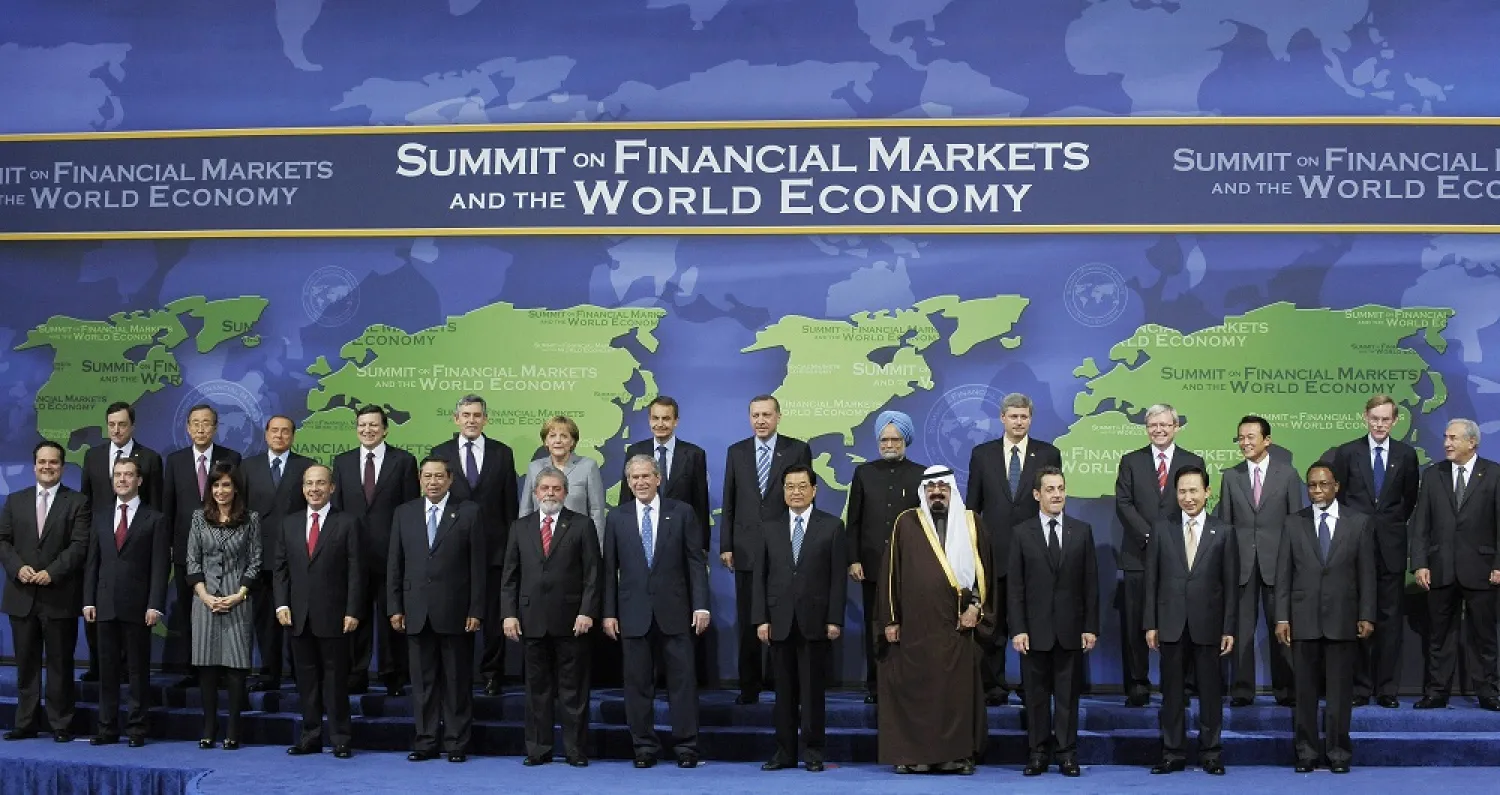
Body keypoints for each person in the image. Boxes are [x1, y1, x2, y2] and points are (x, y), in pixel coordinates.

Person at [877, 465, 996, 775]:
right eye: (931, 487)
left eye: (943, 487)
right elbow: (890, 573)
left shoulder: (971, 523)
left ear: (952, 489)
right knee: (918, 692)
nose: (937, 492)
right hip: (915, 627)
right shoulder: (907, 521)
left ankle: (955, 756)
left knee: (954, 695)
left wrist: (975, 609)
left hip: (957, 626)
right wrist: (891, 619)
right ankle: (914, 755)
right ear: (924, 491)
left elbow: (985, 574)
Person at [603, 455, 710, 769]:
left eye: (646, 476)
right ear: (628, 482)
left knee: (682, 684)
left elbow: (695, 562)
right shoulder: (617, 517)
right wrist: (608, 612)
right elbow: (609, 570)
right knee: (637, 686)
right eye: (634, 478)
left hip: (676, 612)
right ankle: (644, 748)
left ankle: (687, 748)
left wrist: (701, 605)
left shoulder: (682, 512)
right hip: (633, 613)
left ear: (658, 478)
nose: (640, 482)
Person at [1274, 463, 1376, 773]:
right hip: (1303, 620)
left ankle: (1339, 754)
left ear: (1336, 486)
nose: (1317, 490)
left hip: (1343, 619)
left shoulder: (1358, 523)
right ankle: (1306, 753)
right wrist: (1281, 617)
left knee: (1339, 695)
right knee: (1304, 693)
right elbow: (1283, 575)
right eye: (1312, 485)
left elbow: (1367, 574)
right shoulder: (1293, 523)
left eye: (1323, 484)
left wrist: (1367, 614)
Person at [1322, 395, 1419, 708]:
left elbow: (1408, 499)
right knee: (1358, 618)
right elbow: (1340, 499)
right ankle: (1360, 688)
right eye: (1375, 418)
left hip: (1391, 548)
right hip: (1355, 548)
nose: (1379, 425)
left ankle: (1387, 689)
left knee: (1390, 621)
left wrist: (1388, 527)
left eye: (1385, 419)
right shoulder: (1347, 452)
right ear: (1365, 417)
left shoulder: (1406, 455)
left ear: (1395, 420)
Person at [388, 456, 486, 763]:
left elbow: (478, 567)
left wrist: (476, 609)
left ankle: (456, 743)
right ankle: (426, 741)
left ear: (450, 480)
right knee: (423, 683)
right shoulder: (404, 513)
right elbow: (395, 564)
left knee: (456, 682)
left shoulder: (469, 512)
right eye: (428, 476)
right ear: (420, 480)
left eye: (439, 476)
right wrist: (395, 606)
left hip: (456, 612)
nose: (433, 482)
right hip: (415, 611)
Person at [966, 392, 1061, 705]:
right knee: (993, 626)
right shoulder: (982, 454)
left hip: (1035, 554)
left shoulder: (1048, 453)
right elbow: (972, 508)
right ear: (1002, 418)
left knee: (1034, 623)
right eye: (1013, 416)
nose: (1019, 422)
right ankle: (993, 686)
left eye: (1024, 416)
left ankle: (1031, 685)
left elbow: (1053, 504)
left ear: (1030, 419)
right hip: (993, 555)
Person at [501, 467, 600, 767]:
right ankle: (538, 749)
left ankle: (575, 750)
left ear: (565, 493)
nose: (550, 494)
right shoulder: (520, 527)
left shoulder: (582, 525)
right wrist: (509, 614)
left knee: (573, 691)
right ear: (535, 493)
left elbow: (593, 574)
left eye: (556, 489)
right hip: (531, 620)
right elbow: (510, 577)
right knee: (536, 691)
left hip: (572, 621)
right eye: (544, 488)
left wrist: (586, 611)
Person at [721, 395, 812, 704]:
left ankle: (782, 683)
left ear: (778, 417)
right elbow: (729, 501)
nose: (761, 420)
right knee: (748, 619)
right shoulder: (737, 452)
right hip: (745, 549)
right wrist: (726, 545)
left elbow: (804, 499)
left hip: (785, 548)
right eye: (755, 415)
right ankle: (749, 686)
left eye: (766, 415)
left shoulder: (797, 449)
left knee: (783, 617)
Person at [754, 465, 845, 773]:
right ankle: (784, 752)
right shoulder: (769, 527)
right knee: (783, 694)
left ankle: (813, 752)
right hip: (778, 621)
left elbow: (837, 580)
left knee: (812, 692)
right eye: (790, 486)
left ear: (814, 490)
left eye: (802, 486)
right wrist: (761, 619)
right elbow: (760, 577)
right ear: (783, 491)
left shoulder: (832, 526)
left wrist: (834, 619)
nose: (796, 492)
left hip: (816, 621)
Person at [1145, 466, 1236, 776]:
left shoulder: (1223, 531)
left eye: (1194, 490)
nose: (1188, 497)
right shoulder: (1162, 529)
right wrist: (1151, 623)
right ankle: (1173, 753)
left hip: (1209, 625)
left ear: (1207, 492)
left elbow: (1230, 584)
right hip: (1170, 624)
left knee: (1210, 693)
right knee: (1172, 694)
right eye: (1182, 491)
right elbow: (1151, 580)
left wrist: (1228, 627)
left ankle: (1211, 753)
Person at [1009, 466, 1098, 777]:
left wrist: (1090, 627)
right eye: (1050, 489)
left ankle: (1067, 754)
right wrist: (1018, 628)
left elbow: (1090, 584)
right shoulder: (1022, 533)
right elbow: (1015, 587)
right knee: (1035, 698)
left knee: (1067, 698)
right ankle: (1038, 754)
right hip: (1034, 632)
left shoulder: (1081, 531)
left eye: (1060, 488)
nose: (1057, 494)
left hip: (1070, 630)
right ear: (1037, 494)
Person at [1114, 403, 1204, 707]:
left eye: (1165, 424)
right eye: (1153, 425)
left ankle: (1181, 686)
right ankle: (1138, 685)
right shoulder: (1131, 461)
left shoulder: (1193, 461)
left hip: (1181, 556)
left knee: (1181, 623)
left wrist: (1169, 541)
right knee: (1135, 625)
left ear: (1176, 427)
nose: (1159, 430)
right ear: (1146, 428)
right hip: (1138, 555)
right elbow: (1123, 504)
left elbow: (1194, 505)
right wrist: (1151, 536)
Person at [619, 396, 713, 686]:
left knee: (678, 625)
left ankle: (681, 680)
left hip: (679, 549)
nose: (660, 424)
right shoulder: (635, 451)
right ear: (649, 420)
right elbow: (625, 504)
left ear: (676, 421)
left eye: (666, 418)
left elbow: (701, 504)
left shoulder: (693, 454)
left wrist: (702, 549)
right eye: (655, 418)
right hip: (643, 551)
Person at [0, 441, 90, 742]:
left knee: (60, 665)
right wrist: (17, 568)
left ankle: (60, 724)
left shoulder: (77, 502)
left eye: (53, 462)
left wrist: (52, 572)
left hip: (59, 595)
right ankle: (25, 722)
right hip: (22, 596)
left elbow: (79, 545)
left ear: (62, 466)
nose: (47, 467)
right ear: (34, 465)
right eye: (42, 462)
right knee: (26, 665)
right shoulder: (15, 501)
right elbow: (3, 541)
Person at [431, 394, 518, 696]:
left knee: (493, 617)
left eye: (477, 415)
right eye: (466, 415)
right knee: (455, 615)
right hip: (452, 552)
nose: (471, 420)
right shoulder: (440, 453)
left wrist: (511, 549)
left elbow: (510, 506)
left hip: (494, 551)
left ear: (485, 419)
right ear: (456, 419)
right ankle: (457, 676)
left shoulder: (502, 453)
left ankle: (492, 674)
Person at [1410, 418, 1500, 710]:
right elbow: (1421, 523)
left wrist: (1498, 564)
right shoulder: (1433, 474)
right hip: (1441, 568)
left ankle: (1488, 692)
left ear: (1472, 442)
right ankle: (1437, 692)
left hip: (1482, 568)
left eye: (1453, 438)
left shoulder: (1494, 474)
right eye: (1446, 437)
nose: (1446, 443)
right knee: (1439, 636)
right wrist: (1420, 563)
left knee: (1484, 636)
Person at [274, 464, 362, 759]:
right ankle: (310, 737)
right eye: (309, 483)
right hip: (298, 617)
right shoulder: (289, 524)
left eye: (320, 483)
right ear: (303, 488)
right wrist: (282, 604)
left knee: (336, 681)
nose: (314, 489)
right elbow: (280, 569)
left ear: (331, 488)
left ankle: (340, 738)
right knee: (306, 682)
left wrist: (353, 610)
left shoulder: (347, 522)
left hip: (335, 616)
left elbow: (356, 571)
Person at [1216, 415, 1303, 706]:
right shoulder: (1231, 476)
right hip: (1241, 565)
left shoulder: (1288, 475)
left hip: (1278, 564)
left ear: (1267, 440)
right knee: (1242, 631)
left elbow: (1295, 523)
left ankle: (1287, 690)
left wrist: (1293, 563)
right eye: (1240, 437)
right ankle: (1242, 690)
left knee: (1283, 627)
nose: (1244, 443)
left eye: (1250, 437)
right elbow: (1226, 525)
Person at [83, 456, 170, 747]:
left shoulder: (154, 518)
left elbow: (160, 566)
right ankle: (106, 728)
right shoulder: (100, 516)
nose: (122, 479)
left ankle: (136, 729)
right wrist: (88, 600)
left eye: (128, 474)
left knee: (137, 671)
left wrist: (155, 604)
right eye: (118, 475)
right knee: (107, 671)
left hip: (139, 606)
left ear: (139, 480)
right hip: (104, 604)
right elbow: (92, 563)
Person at [331, 405, 418, 695]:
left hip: (392, 554)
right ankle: (356, 674)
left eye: (373, 425)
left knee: (393, 616)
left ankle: (394, 676)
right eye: (362, 425)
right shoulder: (342, 462)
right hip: (352, 554)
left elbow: (410, 510)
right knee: (355, 615)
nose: (367, 430)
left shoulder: (403, 461)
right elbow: (338, 512)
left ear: (385, 429)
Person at [78, 401, 163, 684]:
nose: (116, 430)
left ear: (132, 426)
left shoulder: (150, 458)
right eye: (111, 424)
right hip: (101, 542)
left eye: (122, 424)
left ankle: (128, 671)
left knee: (132, 625)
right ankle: (98, 668)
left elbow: (156, 503)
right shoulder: (93, 456)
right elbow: (86, 502)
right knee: (99, 612)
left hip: (137, 545)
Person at [846, 410, 923, 703]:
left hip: (909, 568)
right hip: (871, 565)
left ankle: (906, 684)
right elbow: (854, 521)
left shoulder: (921, 474)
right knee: (875, 627)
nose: (889, 445)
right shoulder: (864, 474)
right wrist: (853, 559)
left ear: (906, 441)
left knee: (909, 627)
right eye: (884, 440)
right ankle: (876, 687)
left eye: (895, 439)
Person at [162, 404, 241, 686]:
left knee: (221, 610)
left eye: (206, 423)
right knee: (189, 612)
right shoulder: (175, 461)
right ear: (187, 427)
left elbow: (239, 504)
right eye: (195, 423)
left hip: (223, 551)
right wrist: (169, 545)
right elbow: (168, 507)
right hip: (186, 551)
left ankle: (222, 669)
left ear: (215, 427)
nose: (200, 428)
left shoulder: (231, 458)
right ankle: (193, 670)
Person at [187, 462, 261, 750]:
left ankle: (233, 728)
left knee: (235, 667)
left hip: (237, 600)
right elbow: (192, 561)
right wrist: (205, 596)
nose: (220, 491)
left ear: (236, 488)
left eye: (226, 485)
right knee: (206, 668)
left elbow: (255, 561)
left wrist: (238, 595)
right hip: (204, 601)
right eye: (216, 485)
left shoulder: (251, 519)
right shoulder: (199, 518)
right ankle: (209, 727)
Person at [242, 415, 313, 692]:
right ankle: (269, 673)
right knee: (265, 621)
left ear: (293, 436)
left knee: (298, 617)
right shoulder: (248, 467)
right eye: (274, 431)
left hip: (298, 555)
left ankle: (300, 673)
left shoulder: (306, 466)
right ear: (266, 434)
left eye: (285, 431)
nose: (279, 436)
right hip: (260, 556)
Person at [520, 415, 606, 537]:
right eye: (552, 436)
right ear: (546, 441)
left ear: (572, 442)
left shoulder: (588, 466)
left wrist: (597, 545)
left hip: (577, 540)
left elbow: (596, 512)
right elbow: (526, 510)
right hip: (541, 540)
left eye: (564, 436)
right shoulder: (534, 467)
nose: (558, 440)